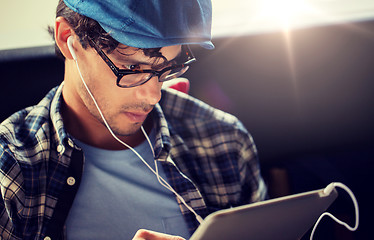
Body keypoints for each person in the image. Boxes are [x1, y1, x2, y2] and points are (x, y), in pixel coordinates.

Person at [0, 0, 267, 239]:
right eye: (133, 68)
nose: (152, 96)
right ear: (67, 37)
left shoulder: (225, 140)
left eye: (167, 68)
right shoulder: (10, 169)